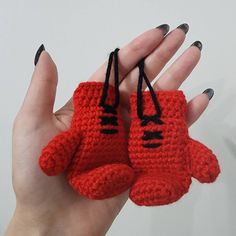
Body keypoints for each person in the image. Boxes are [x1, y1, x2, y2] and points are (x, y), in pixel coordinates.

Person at [5, 23, 214, 236]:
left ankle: (125, 174)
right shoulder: (86, 123)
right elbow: (68, 142)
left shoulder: (151, 125)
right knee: (117, 161)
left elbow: (185, 146)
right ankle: (111, 174)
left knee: (140, 159)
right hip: (86, 171)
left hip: (144, 171)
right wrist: (54, 158)